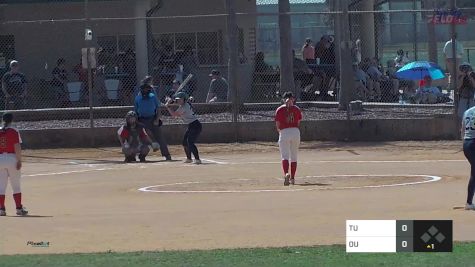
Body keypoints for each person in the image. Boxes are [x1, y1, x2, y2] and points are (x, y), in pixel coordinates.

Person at [135, 83, 172, 161]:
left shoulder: (152, 97)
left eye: (147, 89)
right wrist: (138, 122)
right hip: (142, 120)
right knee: (144, 139)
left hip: (153, 119)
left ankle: (167, 155)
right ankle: (142, 156)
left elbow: (158, 109)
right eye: (144, 89)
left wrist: (157, 119)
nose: (145, 90)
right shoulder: (138, 98)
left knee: (160, 137)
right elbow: (136, 112)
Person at [0, 113, 27, 216]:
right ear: (11, 120)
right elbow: (17, 147)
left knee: (1, 186)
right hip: (11, 158)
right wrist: (19, 160)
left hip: (0, 159)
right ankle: (19, 208)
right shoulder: (14, 131)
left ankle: (1, 209)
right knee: (16, 185)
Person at [165, 92, 202, 165]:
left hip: (195, 125)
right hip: (191, 125)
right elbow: (176, 104)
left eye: (180, 99)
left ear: (184, 99)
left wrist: (168, 106)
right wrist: (169, 101)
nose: (178, 101)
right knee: (185, 142)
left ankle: (197, 159)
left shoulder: (184, 107)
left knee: (190, 142)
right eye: (177, 100)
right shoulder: (184, 105)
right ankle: (189, 158)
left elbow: (174, 115)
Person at [274, 92, 303, 186]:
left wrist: (281, 133)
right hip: (295, 132)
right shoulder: (296, 109)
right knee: (294, 156)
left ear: (283, 99)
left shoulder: (279, 109)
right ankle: (293, 178)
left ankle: (286, 173)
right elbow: (298, 122)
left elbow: (277, 124)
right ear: (293, 99)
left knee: (285, 156)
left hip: (284, 132)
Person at [461, 105, 475, 210]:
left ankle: (469, 202)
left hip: (466, 143)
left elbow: (462, 131)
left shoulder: (467, 111)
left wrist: (465, 143)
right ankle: (469, 203)